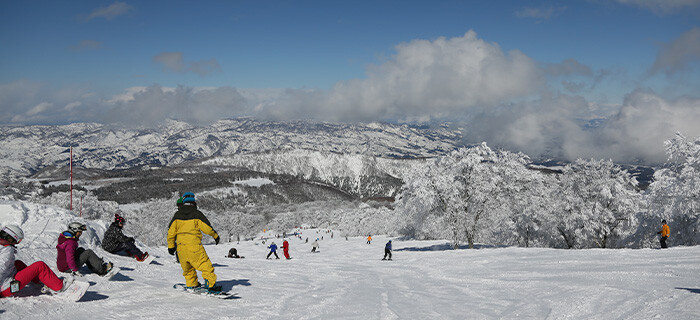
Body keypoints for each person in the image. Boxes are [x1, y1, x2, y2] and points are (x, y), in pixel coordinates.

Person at [167, 192, 222, 293]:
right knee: (205, 265)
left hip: (181, 248)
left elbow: (170, 233)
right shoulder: (197, 214)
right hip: (194, 246)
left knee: (188, 269)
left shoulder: (177, 215)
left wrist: (171, 247)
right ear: (194, 202)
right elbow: (207, 228)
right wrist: (215, 236)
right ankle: (210, 285)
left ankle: (192, 284)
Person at [1, 225, 70, 297]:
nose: (16, 243)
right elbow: (1, 266)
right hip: (7, 288)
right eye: (17, 241)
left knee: (18, 263)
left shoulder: (2, 246)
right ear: (11, 238)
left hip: (4, 284)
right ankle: (60, 287)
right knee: (40, 266)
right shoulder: (7, 250)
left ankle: (38, 280)